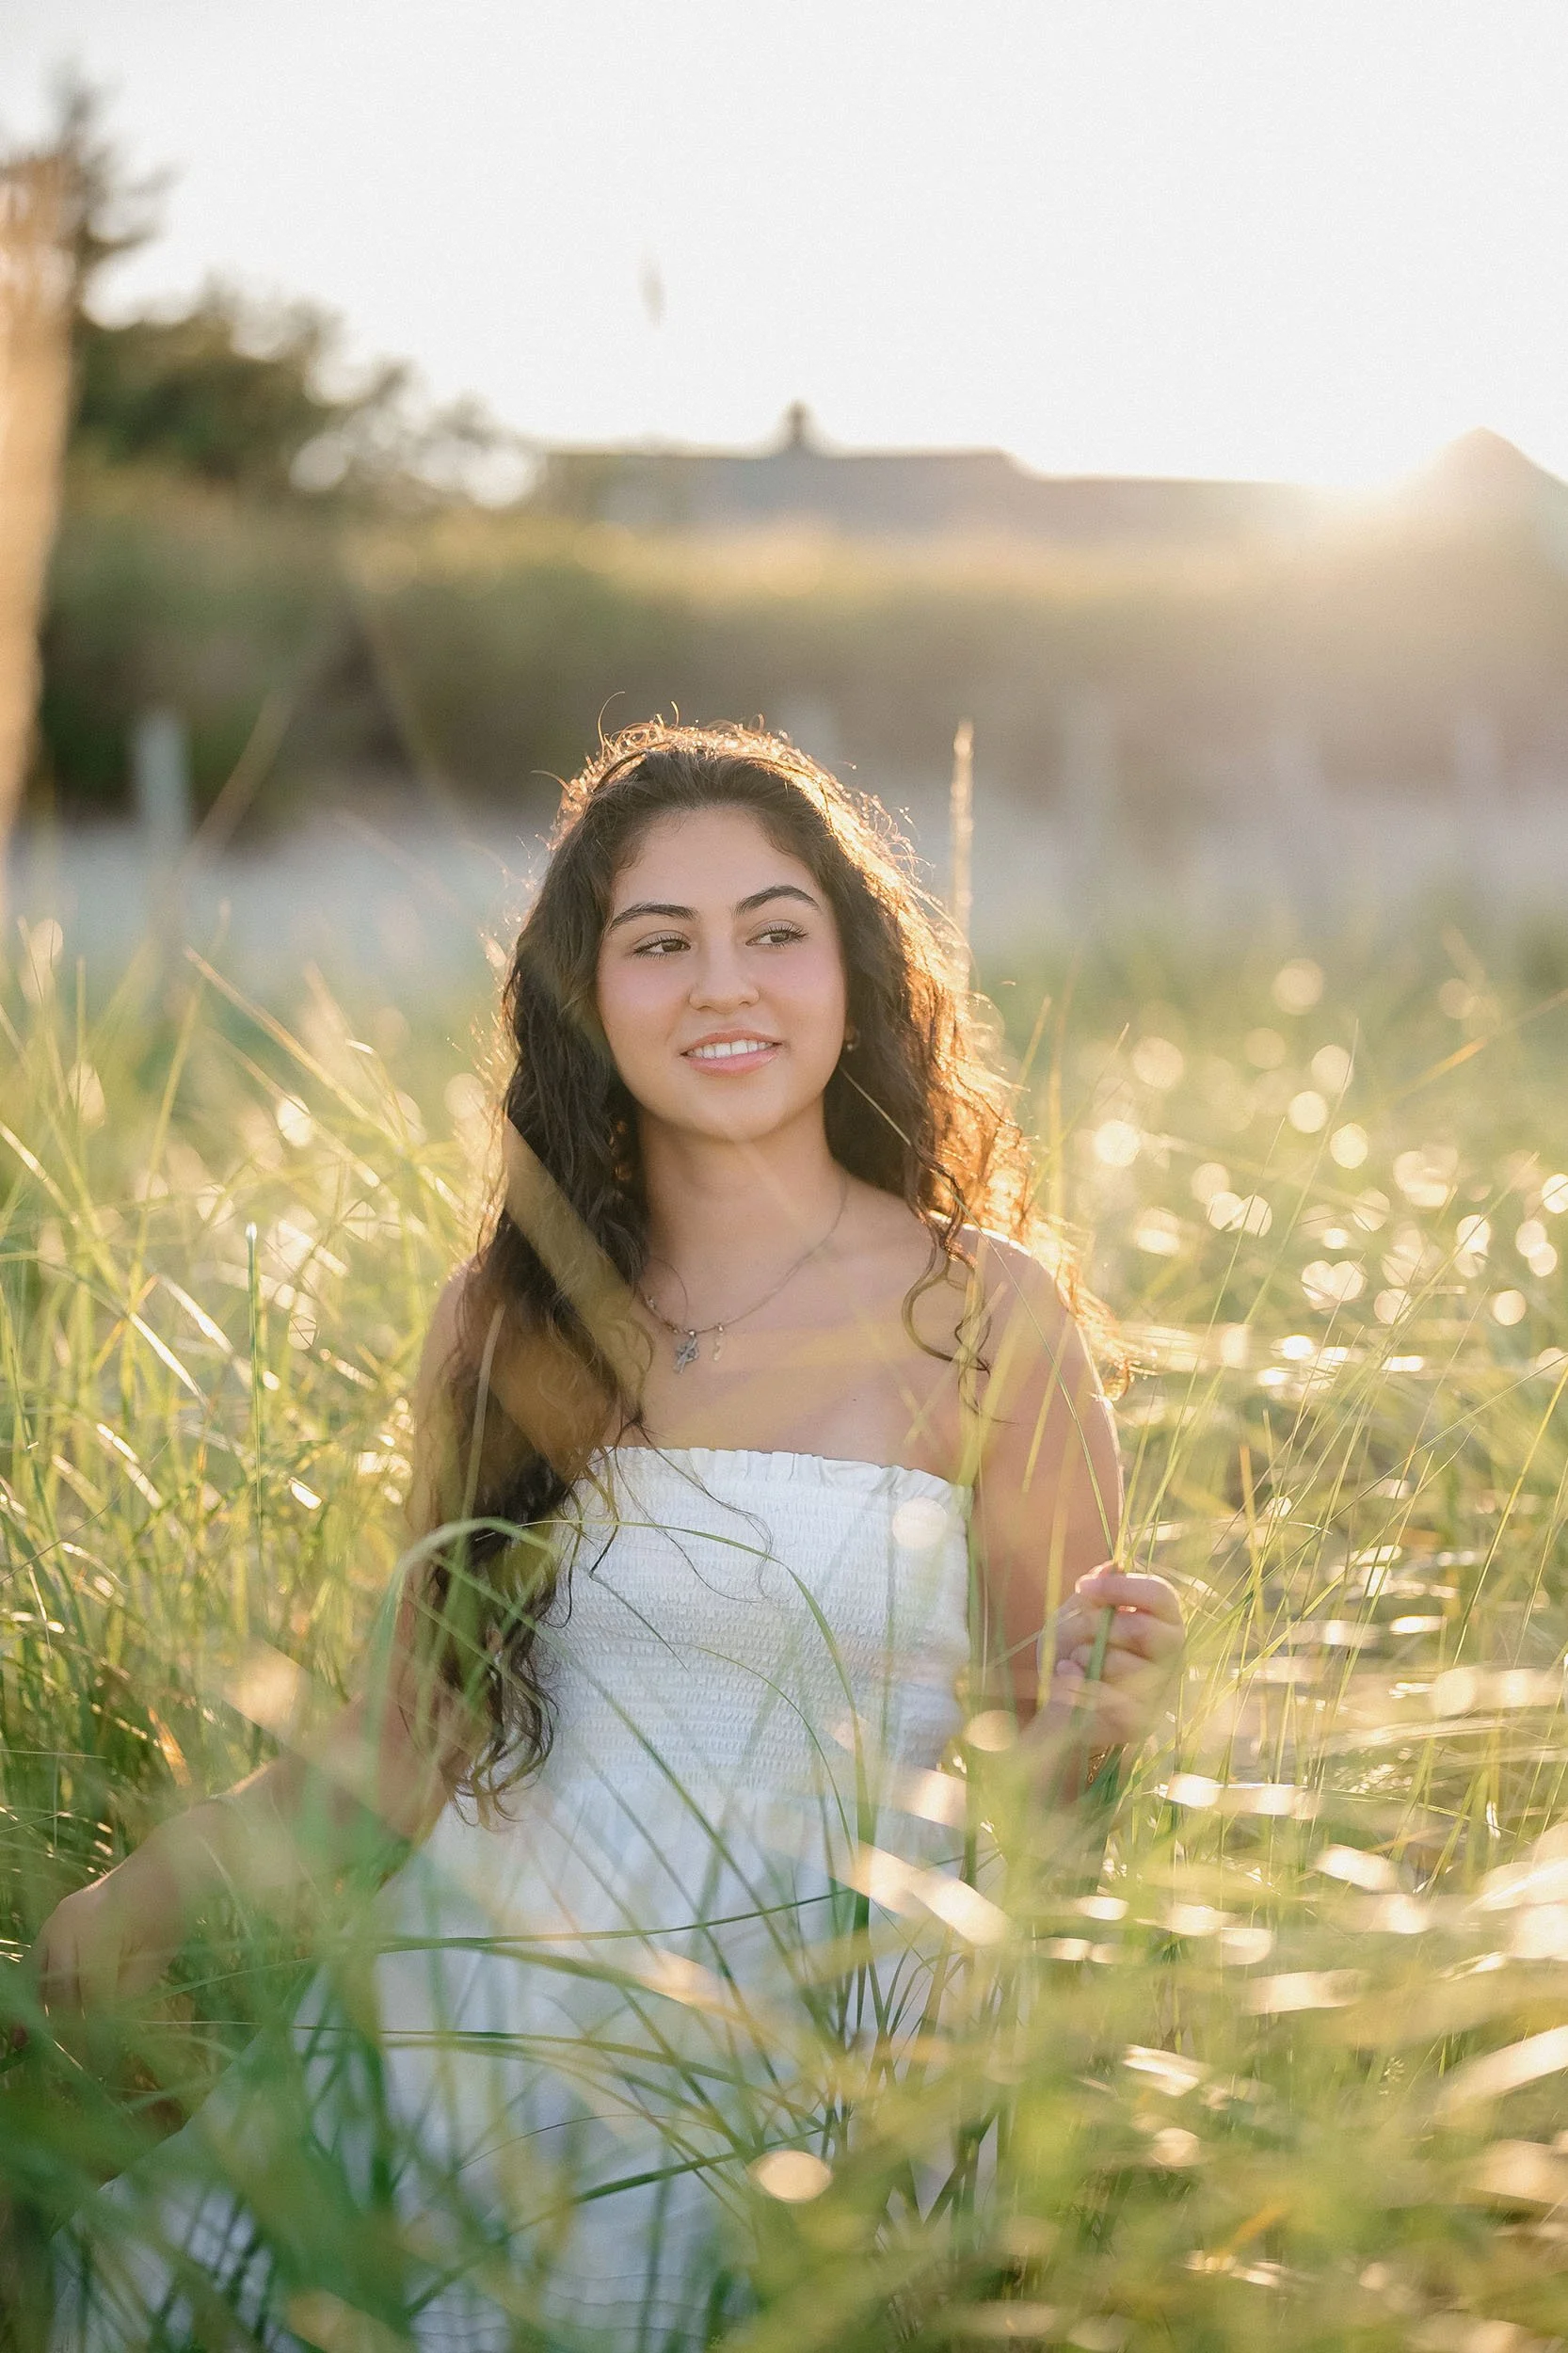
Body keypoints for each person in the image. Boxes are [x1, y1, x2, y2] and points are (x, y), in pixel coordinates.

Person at [33, 721, 1184, 2349]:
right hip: (484, 2016)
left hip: (824, 2048)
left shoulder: (981, 1309)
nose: (725, 984)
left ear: (850, 971)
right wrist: (142, 1895)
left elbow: (1028, 1784)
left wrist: (1102, 1722)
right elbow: (407, 1730)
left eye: (774, 932)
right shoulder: (507, 1319)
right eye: (661, 944)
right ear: (588, 995)